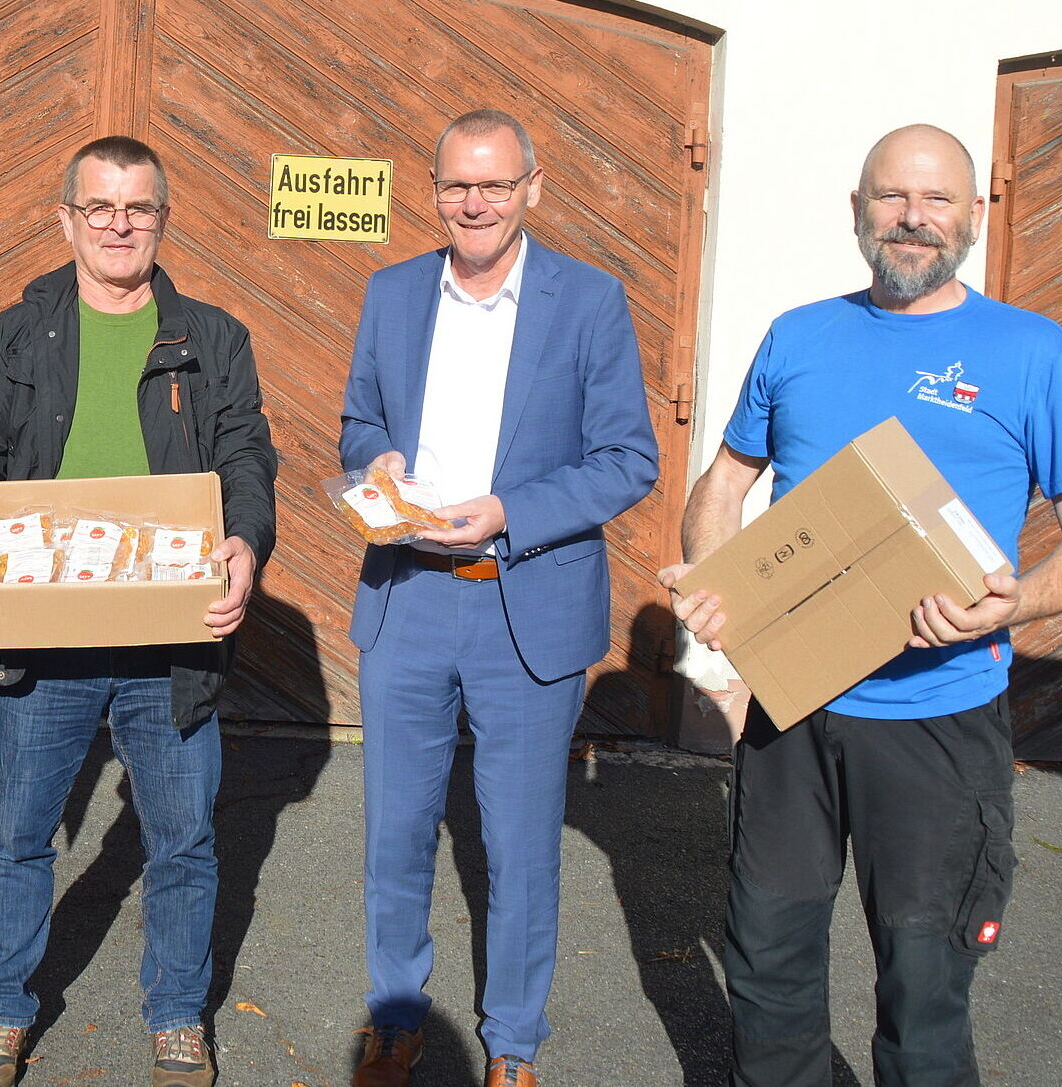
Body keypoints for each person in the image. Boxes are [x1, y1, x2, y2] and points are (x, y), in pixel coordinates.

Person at [660, 124, 1062, 1087]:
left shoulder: (1033, 352)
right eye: (890, 198)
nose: (912, 219)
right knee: (767, 968)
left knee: (923, 993)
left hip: (937, 718)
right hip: (791, 708)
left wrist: (1015, 602)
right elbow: (721, 484)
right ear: (856, 209)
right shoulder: (798, 336)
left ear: (974, 216)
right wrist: (716, 585)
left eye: (936, 200)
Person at [0, 135, 277, 1087]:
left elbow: (247, 457)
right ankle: (0, 1010)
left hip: (170, 644)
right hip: (45, 641)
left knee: (183, 838)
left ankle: (175, 1014)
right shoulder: (20, 330)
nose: (119, 226)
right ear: (66, 219)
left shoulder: (212, 337)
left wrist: (244, 540)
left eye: (138, 209)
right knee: (16, 834)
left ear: (164, 219)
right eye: (100, 209)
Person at [339, 108, 657, 1087]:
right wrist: (373, 459)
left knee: (519, 843)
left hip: (524, 601)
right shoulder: (390, 293)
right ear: (432, 192)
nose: (472, 202)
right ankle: (395, 1016)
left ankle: (512, 1042)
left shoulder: (589, 300)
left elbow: (627, 460)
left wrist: (508, 511)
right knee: (394, 827)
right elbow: (357, 421)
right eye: (455, 185)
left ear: (532, 187)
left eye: (493, 184)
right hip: (408, 594)